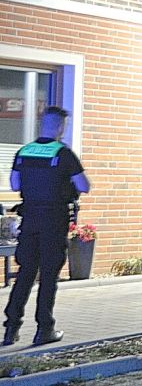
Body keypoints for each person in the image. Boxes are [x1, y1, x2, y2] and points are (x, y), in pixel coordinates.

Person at [3, 106, 90, 346]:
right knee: (49, 275)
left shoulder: (24, 151)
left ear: (43, 124)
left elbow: (13, 184)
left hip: (29, 221)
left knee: (26, 273)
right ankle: (44, 328)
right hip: (54, 221)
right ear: (61, 127)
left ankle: (11, 329)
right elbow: (83, 186)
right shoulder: (64, 154)